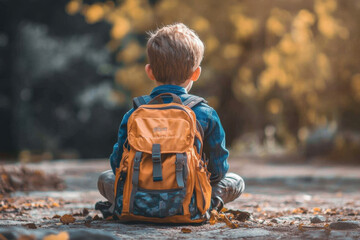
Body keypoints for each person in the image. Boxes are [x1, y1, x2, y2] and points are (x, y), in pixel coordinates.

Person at [96, 23, 245, 218]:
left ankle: (129, 205)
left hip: (137, 198)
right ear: (196, 73)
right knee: (236, 181)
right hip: (189, 201)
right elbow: (218, 170)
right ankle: (206, 205)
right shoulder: (205, 113)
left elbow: (117, 165)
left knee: (105, 178)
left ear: (149, 71)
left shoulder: (135, 112)